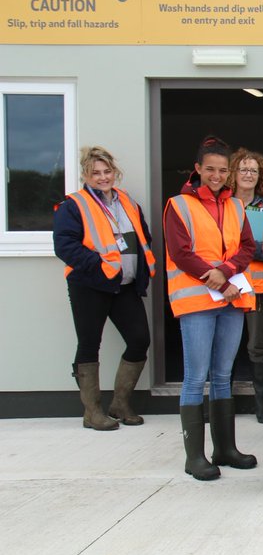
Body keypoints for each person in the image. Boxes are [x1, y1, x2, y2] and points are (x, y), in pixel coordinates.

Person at [163, 136, 258, 481]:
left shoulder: (236, 206)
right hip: (197, 301)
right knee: (195, 377)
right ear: (198, 169)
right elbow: (180, 252)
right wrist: (217, 279)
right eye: (210, 170)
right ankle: (195, 457)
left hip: (230, 299)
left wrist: (227, 272)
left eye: (222, 170)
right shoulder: (178, 205)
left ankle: (225, 450)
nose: (216, 176)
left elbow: (247, 247)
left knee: (222, 375)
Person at [53, 146, 156, 431]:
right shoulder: (73, 205)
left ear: (114, 172)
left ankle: (120, 404)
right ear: (85, 176)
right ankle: (92, 412)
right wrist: (98, 265)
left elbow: (143, 237)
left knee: (139, 340)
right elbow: (65, 246)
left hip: (124, 286)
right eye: (95, 173)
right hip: (90, 285)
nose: (102, 177)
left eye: (107, 171)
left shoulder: (128, 202)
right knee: (89, 344)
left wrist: (140, 270)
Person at [228, 148, 263, 423]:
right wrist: (253, 247)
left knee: (258, 347)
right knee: (224, 346)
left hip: (262, 288)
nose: (248, 174)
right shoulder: (222, 205)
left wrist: (243, 249)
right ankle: (220, 403)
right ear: (233, 174)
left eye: (254, 170)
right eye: (243, 169)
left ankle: (261, 403)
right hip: (226, 287)